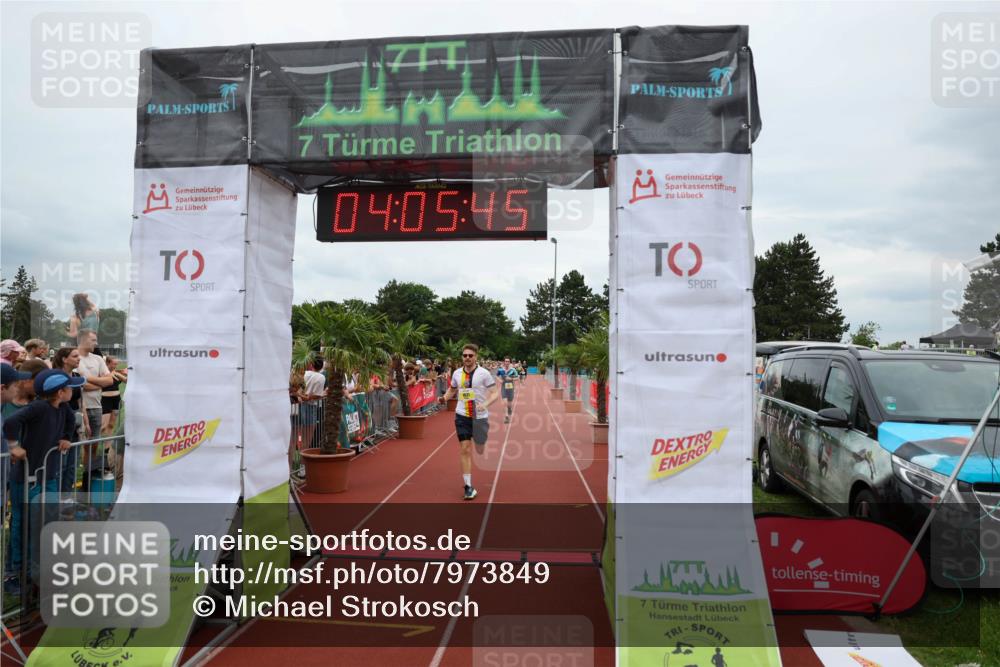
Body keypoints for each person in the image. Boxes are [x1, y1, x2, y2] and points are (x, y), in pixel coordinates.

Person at [4, 369, 84, 588]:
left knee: (43, 523)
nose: (74, 390)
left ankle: (36, 570)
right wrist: (14, 446)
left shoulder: (64, 408)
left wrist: (65, 438)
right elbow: (10, 423)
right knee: (22, 523)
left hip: (48, 476)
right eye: (70, 387)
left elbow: (71, 423)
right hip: (26, 477)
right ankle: (16, 571)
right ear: (60, 392)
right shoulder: (38, 407)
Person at [439, 343, 498, 500]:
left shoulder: (484, 373)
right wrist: (444, 398)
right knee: (465, 449)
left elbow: (495, 393)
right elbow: (452, 389)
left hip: (480, 417)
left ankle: (481, 442)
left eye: (470, 355)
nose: (467, 358)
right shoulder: (457, 373)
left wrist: (485, 404)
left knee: (479, 447)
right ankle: (468, 486)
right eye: (465, 355)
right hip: (462, 415)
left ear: (476, 357)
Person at [75, 330, 113, 442]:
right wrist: (101, 384)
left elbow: (110, 380)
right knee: (78, 442)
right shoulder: (73, 358)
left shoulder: (98, 359)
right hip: (78, 407)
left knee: (94, 442)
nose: (96, 343)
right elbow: (82, 385)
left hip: (96, 406)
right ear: (83, 340)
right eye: (93, 340)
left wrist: (86, 377)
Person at [301, 357, 326, 450]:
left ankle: (299, 457)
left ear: (311, 364)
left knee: (297, 436)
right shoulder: (321, 377)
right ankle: (303, 457)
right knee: (307, 438)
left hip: (299, 405)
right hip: (311, 407)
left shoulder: (304, 373)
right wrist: (322, 394)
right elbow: (317, 395)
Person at [100, 356, 127, 436]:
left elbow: (127, 381)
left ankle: (108, 444)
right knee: (103, 426)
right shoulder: (102, 373)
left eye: (116, 364)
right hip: (105, 401)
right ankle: (93, 440)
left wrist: (126, 373)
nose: (116, 366)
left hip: (116, 400)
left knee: (111, 425)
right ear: (107, 363)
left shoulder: (116, 373)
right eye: (114, 364)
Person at [496, 357, 518, 423]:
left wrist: (511, 379)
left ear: (510, 362)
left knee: (509, 403)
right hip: (503, 387)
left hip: (510, 387)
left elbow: (518, 377)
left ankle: (509, 408)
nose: (507, 363)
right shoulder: (500, 370)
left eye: (508, 361)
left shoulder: (513, 370)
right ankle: (506, 417)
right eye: (506, 361)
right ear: (504, 362)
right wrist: (499, 380)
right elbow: (496, 376)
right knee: (505, 402)